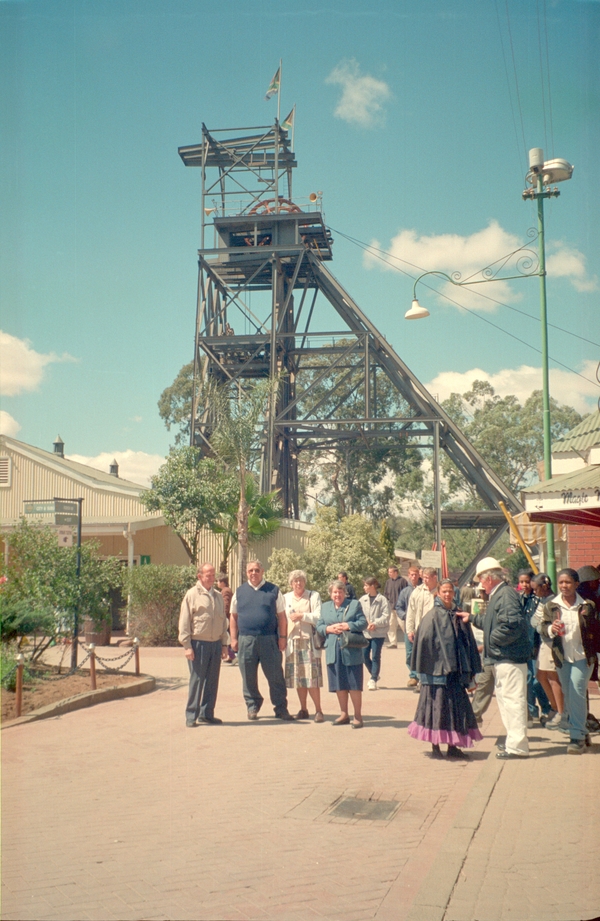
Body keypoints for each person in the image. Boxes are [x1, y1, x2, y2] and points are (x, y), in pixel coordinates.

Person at [408, 579, 482, 759]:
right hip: (437, 674)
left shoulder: (458, 613)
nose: (447, 595)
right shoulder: (432, 616)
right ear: (438, 593)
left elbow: (466, 641)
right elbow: (425, 643)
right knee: (437, 708)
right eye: (444, 592)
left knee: (455, 710)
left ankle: (452, 746)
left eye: (450, 591)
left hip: (456, 674)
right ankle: (435, 746)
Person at [467, 558, 531, 759]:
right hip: (504, 658)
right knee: (507, 702)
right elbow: (493, 622)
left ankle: (518, 747)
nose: (481, 585)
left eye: (481, 581)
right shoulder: (501, 594)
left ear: (489, 579)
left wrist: (491, 642)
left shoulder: (504, 595)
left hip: (508, 659)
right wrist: (471, 618)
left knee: (512, 702)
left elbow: (511, 625)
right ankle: (514, 743)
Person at [539, 568, 600, 754]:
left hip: (583, 657)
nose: (564, 586)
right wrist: (551, 629)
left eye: (568, 582)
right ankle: (582, 730)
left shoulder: (587, 605)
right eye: (561, 583)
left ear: (576, 584)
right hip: (562, 657)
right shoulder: (552, 606)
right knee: (569, 694)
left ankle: (576, 737)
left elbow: (596, 629)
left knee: (577, 690)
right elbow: (542, 628)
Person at [229, 560, 293, 721]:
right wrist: (233, 639)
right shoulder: (239, 592)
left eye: (257, 570)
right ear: (246, 573)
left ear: (262, 571)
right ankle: (252, 705)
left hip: (269, 640)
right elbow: (233, 617)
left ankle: (280, 708)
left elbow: (282, 617)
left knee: (275, 676)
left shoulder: (273, 590)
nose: (253, 573)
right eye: (250, 570)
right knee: (248, 676)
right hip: (246, 640)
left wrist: (283, 637)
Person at [178, 563, 229, 727]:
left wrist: (224, 644)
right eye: (208, 575)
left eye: (213, 575)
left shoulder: (218, 596)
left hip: (215, 644)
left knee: (212, 680)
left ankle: (207, 713)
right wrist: (187, 646)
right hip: (198, 643)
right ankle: (191, 715)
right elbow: (184, 621)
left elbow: (223, 621)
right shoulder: (192, 595)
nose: (212, 578)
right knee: (197, 680)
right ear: (200, 576)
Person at [317, 580, 367, 728]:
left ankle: (358, 716)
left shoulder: (354, 605)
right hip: (333, 650)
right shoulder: (325, 607)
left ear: (345, 593)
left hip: (351, 650)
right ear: (330, 593)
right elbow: (319, 626)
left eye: (340, 592)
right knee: (339, 684)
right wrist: (328, 629)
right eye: (334, 592)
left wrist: (348, 625)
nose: (337, 594)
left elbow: (363, 622)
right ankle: (344, 714)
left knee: (354, 684)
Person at [283, 570, 324, 722]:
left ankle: (318, 710)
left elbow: (319, 616)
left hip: (309, 642)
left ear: (305, 582)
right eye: (295, 581)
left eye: (300, 580)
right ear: (291, 583)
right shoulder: (285, 597)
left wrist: (302, 616)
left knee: (312, 678)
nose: (298, 583)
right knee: (298, 678)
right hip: (293, 642)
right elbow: (282, 618)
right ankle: (303, 709)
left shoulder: (313, 596)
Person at [529, 573, 565, 729]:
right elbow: (534, 622)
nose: (534, 592)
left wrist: (539, 625)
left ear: (544, 586)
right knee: (541, 675)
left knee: (553, 678)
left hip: (551, 643)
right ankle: (554, 707)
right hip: (544, 642)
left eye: (536, 589)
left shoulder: (552, 602)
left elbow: (539, 623)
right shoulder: (542, 601)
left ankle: (561, 713)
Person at [518, 569, 552, 727]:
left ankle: (547, 709)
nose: (524, 585)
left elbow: (537, 623)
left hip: (537, 645)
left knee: (537, 680)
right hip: (524, 645)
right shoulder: (521, 599)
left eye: (527, 582)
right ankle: (531, 712)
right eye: (522, 582)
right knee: (527, 680)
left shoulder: (539, 600)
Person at [406, 568, 439, 688]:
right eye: (423, 577)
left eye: (427, 578)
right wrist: (410, 630)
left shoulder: (441, 591)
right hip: (421, 630)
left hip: (437, 630)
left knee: (435, 656)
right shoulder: (418, 592)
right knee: (422, 656)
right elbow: (411, 612)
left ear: (434, 577)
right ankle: (422, 681)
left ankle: (434, 680)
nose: (424, 580)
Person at [360, 578, 390, 690]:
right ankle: (375, 673)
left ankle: (373, 678)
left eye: (366, 585)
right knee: (364, 656)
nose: (364, 588)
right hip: (366, 632)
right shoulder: (362, 600)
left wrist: (375, 623)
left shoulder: (382, 600)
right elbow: (359, 613)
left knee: (375, 656)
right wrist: (366, 622)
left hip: (379, 633)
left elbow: (386, 616)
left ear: (373, 586)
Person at [395, 564, 421, 684]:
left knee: (422, 650)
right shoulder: (405, 592)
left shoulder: (423, 590)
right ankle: (413, 675)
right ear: (409, 576)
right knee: (410, 652)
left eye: (415, 574)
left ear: (419, 575)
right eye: (411, 575)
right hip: (409, 626)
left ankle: (421, 675)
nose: (414, 576)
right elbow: (399, 607)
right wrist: (406, 616)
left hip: (421, 626)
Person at [383, 565, 407, 648]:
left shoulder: (403, 581)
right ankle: (393, 643)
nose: (389, 573)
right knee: (390, 625)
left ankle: (410, 640)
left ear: (395, 572)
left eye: (390, 572)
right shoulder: (388, 582)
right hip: (391, 607)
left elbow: (405, 594)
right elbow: (385, 594)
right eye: (388, 572)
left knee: (403, 625)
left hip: (400, 608)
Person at [217, 573, 236, 664]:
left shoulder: (225, 591)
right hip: (226, 617)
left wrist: (222, 615)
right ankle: (231, 656)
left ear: (223, 582)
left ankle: (232, 655)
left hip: (226, 617)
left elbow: (226, 604)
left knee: (225, 637)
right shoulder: (225, 590)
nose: (217, 583)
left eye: (218, 581)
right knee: (226, 637)